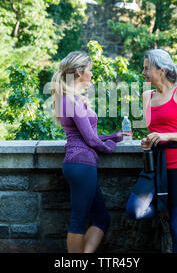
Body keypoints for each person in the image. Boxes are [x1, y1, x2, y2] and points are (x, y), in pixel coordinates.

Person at [126, 48, 177, 253]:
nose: (142, 72)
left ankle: (169, 207)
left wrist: (166, 136)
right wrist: (148, 142)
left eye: (147, 68)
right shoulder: (146, 96)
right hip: (156, 164)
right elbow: (153, 131)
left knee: (176, 225)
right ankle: (164, 206)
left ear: (161, 70)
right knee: (135, 210)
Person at [50, 51, 130, 253]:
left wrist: (114, 136)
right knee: (79, 219)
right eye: (90, 70)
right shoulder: (71, 101)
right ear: (78, 72)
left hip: (80, 162)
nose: (92, 75)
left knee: (102, 218)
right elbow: (91, 140)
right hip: (81, 164)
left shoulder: (72, 99)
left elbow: (87, 136)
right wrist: (110, 146)